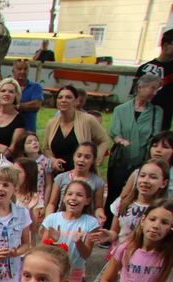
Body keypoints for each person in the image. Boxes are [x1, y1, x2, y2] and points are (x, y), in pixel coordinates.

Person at [106, 73, 163, 225]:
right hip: (121, 160)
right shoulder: (120, 109)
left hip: (142, 162)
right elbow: (114, 132)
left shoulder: (156, 111)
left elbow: (155, 137)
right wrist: (120, 141)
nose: (154, 92)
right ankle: (109, 226)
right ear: (140, 87)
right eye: (152, 88)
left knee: (134, 196)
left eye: (156, 89)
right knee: (114, 194)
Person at [39, 180, 101, 282]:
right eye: (70, 194)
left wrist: (79, 242)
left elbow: (86, 254)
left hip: (74, 274)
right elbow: (43, 250)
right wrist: (54, 241)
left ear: (88, 201)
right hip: (52, 272)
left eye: (79, 195)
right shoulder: (52, 219)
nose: (73, 198)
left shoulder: (91, 223)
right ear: (64, 197)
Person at [43, 85, 110, 178]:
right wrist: (53, 160)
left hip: (81, 176)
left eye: (68, 97)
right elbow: (46, 148)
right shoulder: (51, 123)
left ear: (76, 101)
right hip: (57, 175)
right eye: (60, 97)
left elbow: (105, 140)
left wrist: (93, 161)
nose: (63, 100)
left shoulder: (88, 120)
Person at [134, 26, 173, 130]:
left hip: (164, 116)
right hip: (142, 114)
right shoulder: (144, 68)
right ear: (166, 45)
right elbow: (134, 93)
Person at [11, 60, 43, 134]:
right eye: (19, 69)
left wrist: (16, 106)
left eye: (25, 69)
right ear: (13, 71)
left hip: (28, 131)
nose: (22, 71)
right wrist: (26, 106)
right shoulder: (7, 86)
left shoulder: (36, 87)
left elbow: (36, 105)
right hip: (9, 130)